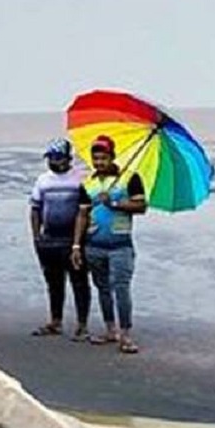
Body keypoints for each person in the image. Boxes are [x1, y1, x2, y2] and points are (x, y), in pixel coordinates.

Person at [71, 135, 147, 354]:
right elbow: (82, 215)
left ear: (112, 157)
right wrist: (76, 246)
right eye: (96, 159)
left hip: (121, 245)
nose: (99, 163)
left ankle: (126, 335)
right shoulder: (88, 183)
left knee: (121, 288)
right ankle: (110, 329)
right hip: (94, 244)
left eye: (103, 158)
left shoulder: (130, 178)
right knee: (102, 288)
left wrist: (114, 202)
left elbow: (141, 206)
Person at [29, 138, 90, 341]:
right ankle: (55, 321)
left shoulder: (80, 178)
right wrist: (37, 236)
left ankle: (82, 325)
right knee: (54, 282)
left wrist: (79, 242)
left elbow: (86, 209)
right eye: (50, 158)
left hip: (73, 240)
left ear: (67, 158)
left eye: (57, 158)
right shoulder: (43, 180)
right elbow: (35, 209)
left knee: (79, 282)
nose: (53, 162)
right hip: (49, 240)